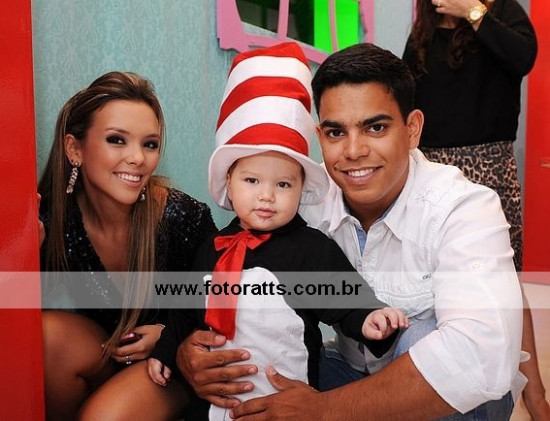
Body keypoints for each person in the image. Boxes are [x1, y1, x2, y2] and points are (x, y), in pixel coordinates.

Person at [173, 43, 525, 420]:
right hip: (345, 368)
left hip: (443, 396)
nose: (354, 151)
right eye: (336, 132)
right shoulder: (296, 199)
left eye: (375, 127)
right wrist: (187, 351)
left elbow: (482, 355)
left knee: (420, 337)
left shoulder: (463, 207)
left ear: (412, 129)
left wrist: (323, 410)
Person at [146, 42, 408, 421]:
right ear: (229, 183)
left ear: (301, 189)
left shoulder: (310, 249)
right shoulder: (212, 247)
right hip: (217, 404)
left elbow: (345, 296)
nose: (267, 196)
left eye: (283, 184)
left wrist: (370, 318)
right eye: (252, 180)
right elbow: (184, 315)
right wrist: (165, 352)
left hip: (286, 400)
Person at [37, 71, 217, 421]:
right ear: (75, 149)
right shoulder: (53, 218)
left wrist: (167, 334)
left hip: (171, 361)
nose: (137, 158)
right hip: (109, 352)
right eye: (117, 140)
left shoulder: (182, 217)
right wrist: (23, 260)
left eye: (149, 144)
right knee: (48, 335)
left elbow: (227, 299)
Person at [402, 1, 548, 418]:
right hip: (429, 166)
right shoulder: (424, 31)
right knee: (433, 280)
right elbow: (404, 93)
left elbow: (523, 58)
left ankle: (534, 394)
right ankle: (449, 384)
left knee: (504, 281)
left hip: (489, 164)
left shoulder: (501, 10)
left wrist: (473, 12)